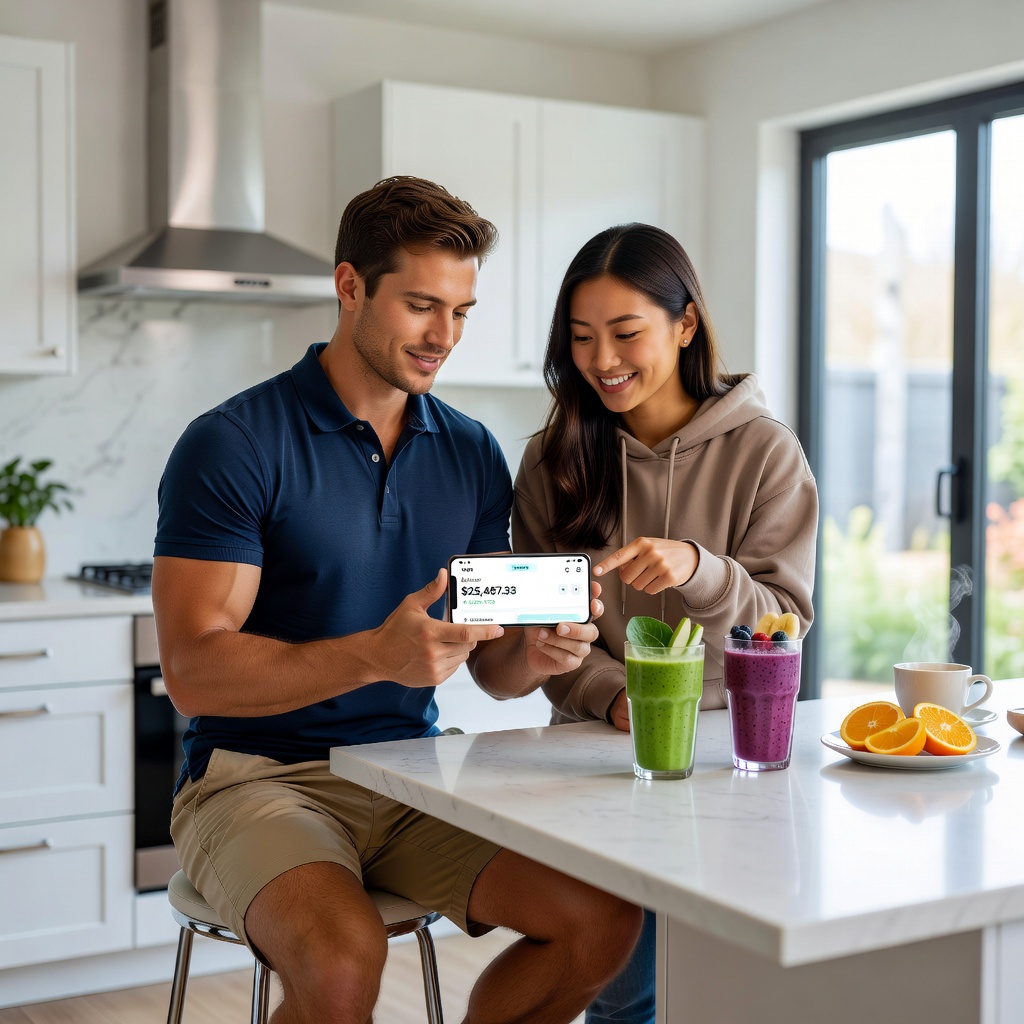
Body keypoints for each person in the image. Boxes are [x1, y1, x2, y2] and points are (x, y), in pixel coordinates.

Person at [153, 176, 642, 1024]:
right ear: (351, 287)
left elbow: (492, 669)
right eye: (421, 305)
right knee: (345, 960)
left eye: (461, 311)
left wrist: (541, 651)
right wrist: (377, 654)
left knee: (602, 919)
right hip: (253, 780)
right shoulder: (232, 444)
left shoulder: (468, 451)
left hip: (412, 772)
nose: (443, 335)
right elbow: (195, 672)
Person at [513, 222, 819, 1024]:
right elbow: (548, 642)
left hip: (735, 762)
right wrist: (614, 695)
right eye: (581, 338)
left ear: (685, 326)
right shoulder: (553, 462)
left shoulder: (765, 453)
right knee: (626, 996)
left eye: (625, 333)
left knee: (735, 994)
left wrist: (701, 569)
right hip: (603, 760)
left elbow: (783, 627)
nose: (602, 360)